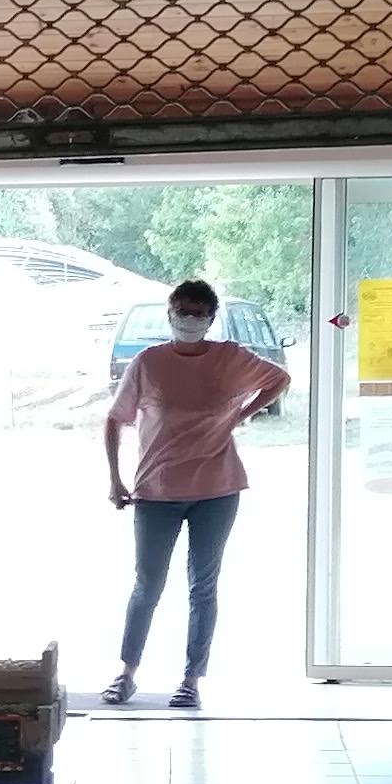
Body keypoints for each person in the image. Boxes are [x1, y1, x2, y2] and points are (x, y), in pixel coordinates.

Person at [101, 278, 288, 708]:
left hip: (217, 489)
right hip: (157, 490)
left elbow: (279, 379)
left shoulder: (229, 358)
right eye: (182, 312)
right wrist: (115, 479)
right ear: (169, 314)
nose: (189, 320)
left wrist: (241, 413)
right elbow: (114, 419)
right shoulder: (149, 363)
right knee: (147, 585)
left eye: (198, 313)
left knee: (203, 586)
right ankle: (127, 672)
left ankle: (191, 679)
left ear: (211, 318)